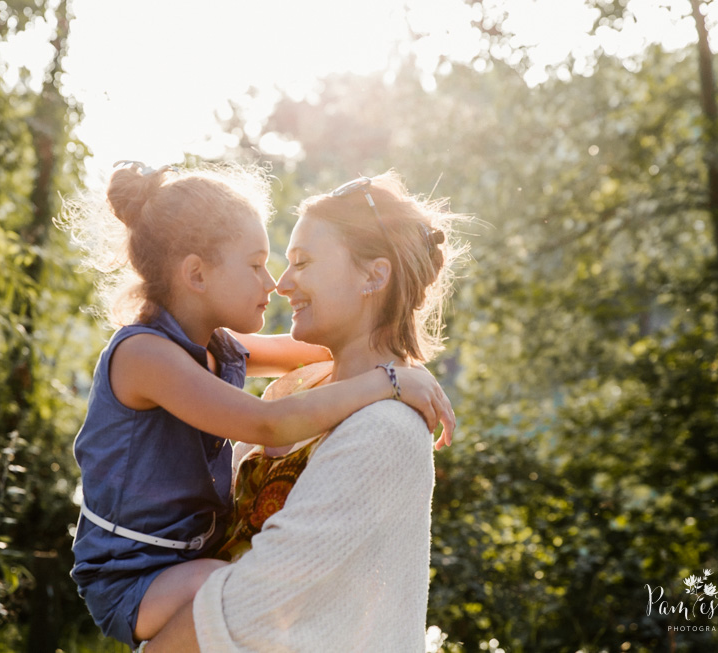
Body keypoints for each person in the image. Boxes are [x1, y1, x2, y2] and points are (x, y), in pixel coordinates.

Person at [61, 162, 455, 649]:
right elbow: (272, 421)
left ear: (373, 276)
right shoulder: (147, 355)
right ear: (196, 274)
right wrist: (391, 380)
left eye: (301, 262)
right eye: (258, 265)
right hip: (133, 574)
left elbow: (336, 347)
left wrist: (401, 371)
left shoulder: (225, 349)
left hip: (184, 566)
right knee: (217, 583)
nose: (276, 283)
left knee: (221, 584)